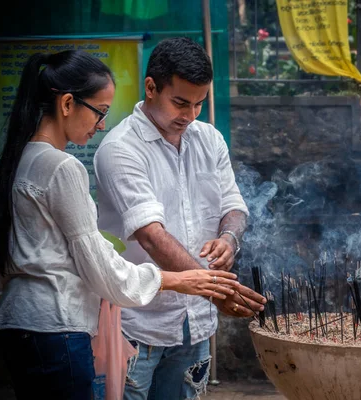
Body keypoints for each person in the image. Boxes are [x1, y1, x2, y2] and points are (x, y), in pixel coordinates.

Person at [0, 49, 242, 400]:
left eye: (199, 105)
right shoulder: (65, 166)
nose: (102, 124)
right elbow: (100, 266)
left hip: (25, 323)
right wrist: (181, 280)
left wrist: (222, 245)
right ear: (67, 104)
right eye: (100, 112)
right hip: (59, 326)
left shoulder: (20, 158)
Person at [93, 37, 266, 400]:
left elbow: (234, 207)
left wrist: (228, 239)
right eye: (180, 102)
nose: (189, 115)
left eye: (199, 104)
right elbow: (151, 235)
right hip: (134, 324)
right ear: (151, 87)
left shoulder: (210, 139)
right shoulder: (119, 149)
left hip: (195, 326)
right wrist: (217, 290)